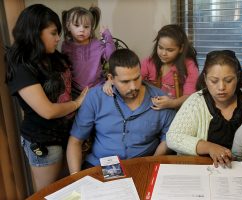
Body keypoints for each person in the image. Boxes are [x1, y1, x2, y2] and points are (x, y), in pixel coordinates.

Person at [5, 4, 87, 192]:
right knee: (49, 193)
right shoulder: (21, 66)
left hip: (69, 134)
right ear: (35, 33)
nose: (58, 38)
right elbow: (48, 111)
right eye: (53, 33)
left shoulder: (52, 55)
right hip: (44, 139)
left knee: (70, 190)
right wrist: (77, 103)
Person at [66, 49, 176, 174]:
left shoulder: (161, 99)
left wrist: (151, 165)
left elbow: (168, 138)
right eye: (125, 81)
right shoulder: (95, 97)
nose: (133, 86)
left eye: (137, 78)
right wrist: (75, 178)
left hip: (141, 166)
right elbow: (75, 141)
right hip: (100, 166)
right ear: (111, 78)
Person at [103, 24, 199, 109]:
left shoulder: (189, 65)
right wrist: (111, 81)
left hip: (178, 110)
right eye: (160, 47)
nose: (163, 53)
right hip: (151, 108)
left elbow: (190, 96)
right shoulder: (149, 62)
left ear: (181, 48)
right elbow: (132, 78)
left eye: (170, 50)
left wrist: (172, 103)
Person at [61, 6, 115, 98]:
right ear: (68, 26)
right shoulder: (66, 46)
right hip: (75, 91)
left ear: (91, 28)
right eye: (77, 25)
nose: (82, 29)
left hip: (98, 88)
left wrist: (108, 36)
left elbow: (111, 56)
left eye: (86, 27)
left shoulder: (97, 44)